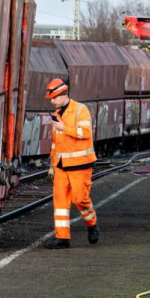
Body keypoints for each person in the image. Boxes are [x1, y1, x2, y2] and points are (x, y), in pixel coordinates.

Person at [44, 78, 99, 249]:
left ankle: (92, 224)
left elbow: (86, 133)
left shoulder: (80, 110)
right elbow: (55, 142)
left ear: (62, 95)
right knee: (60, 202)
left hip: (80, 165)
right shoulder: (58, 114)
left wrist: (63, 127)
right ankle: (62, 238)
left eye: (54, 98)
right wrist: (52, 164)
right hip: (61, 166)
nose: (52, 101)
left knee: (80, 199)